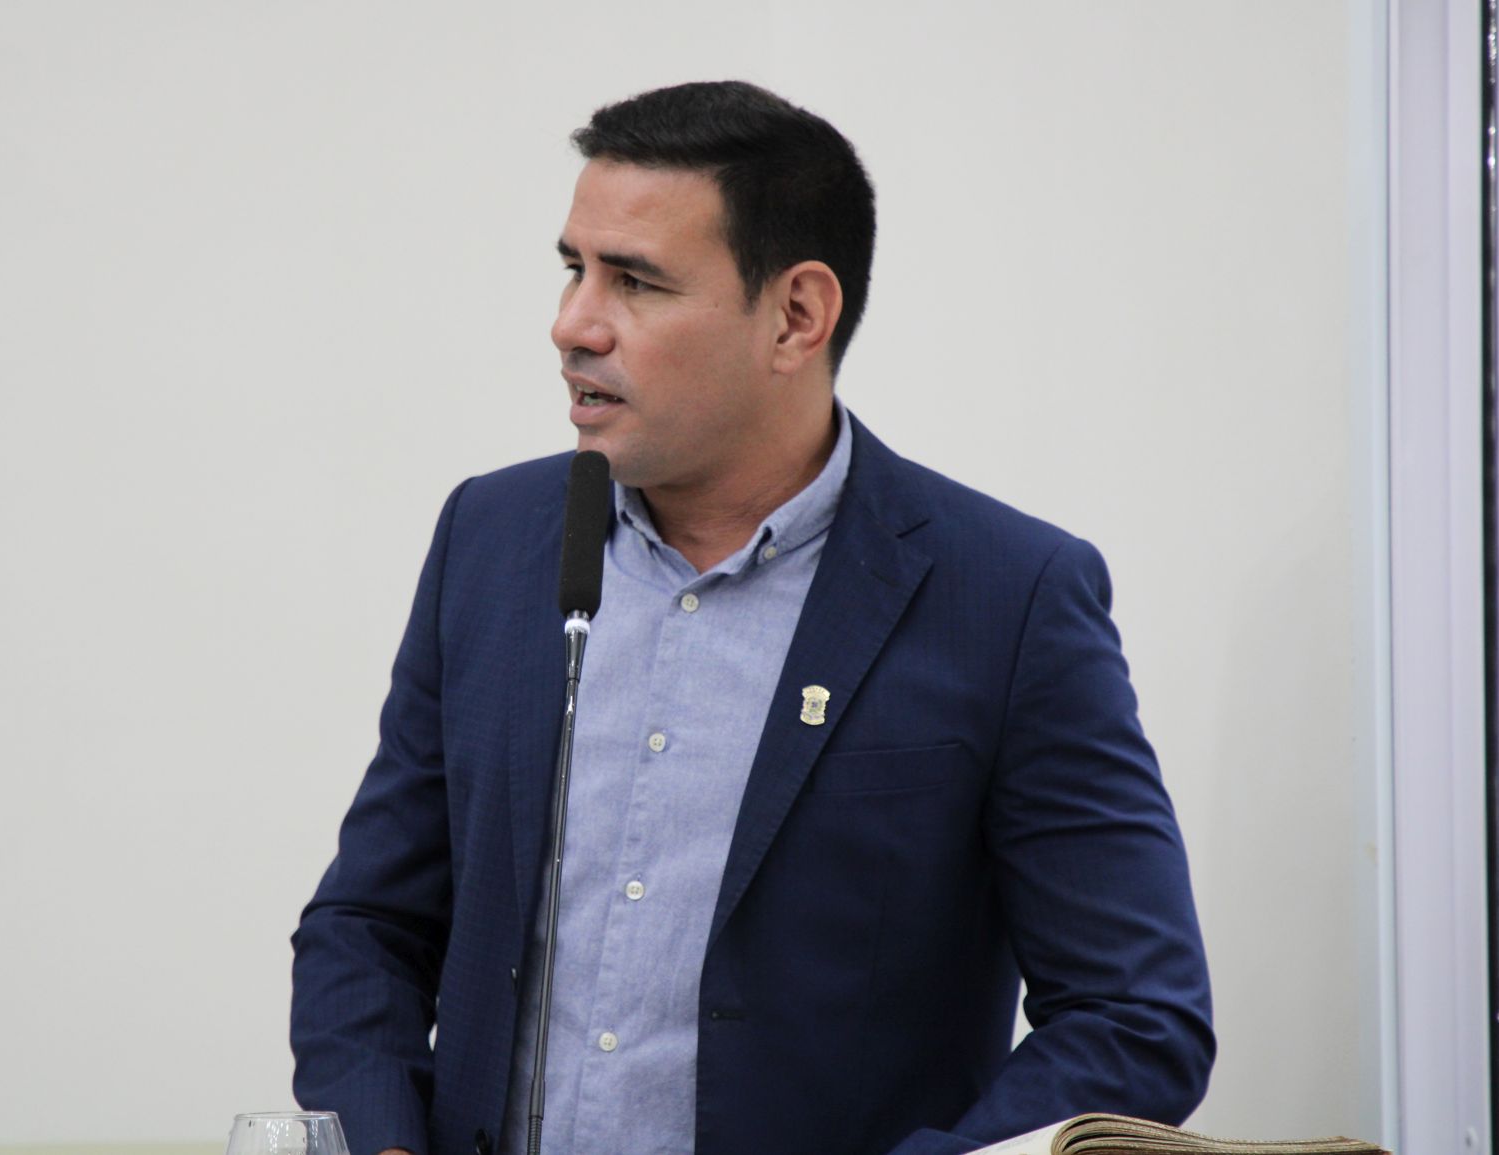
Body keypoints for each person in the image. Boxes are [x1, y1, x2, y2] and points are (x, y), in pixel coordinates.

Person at [290, 80, 1213, 1155]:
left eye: (636, 282)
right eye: (574, 268)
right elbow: (369, 926)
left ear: (795, 317)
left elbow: (1132, 1017)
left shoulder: (1006, 596)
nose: (572, 324)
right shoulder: (491, 540)